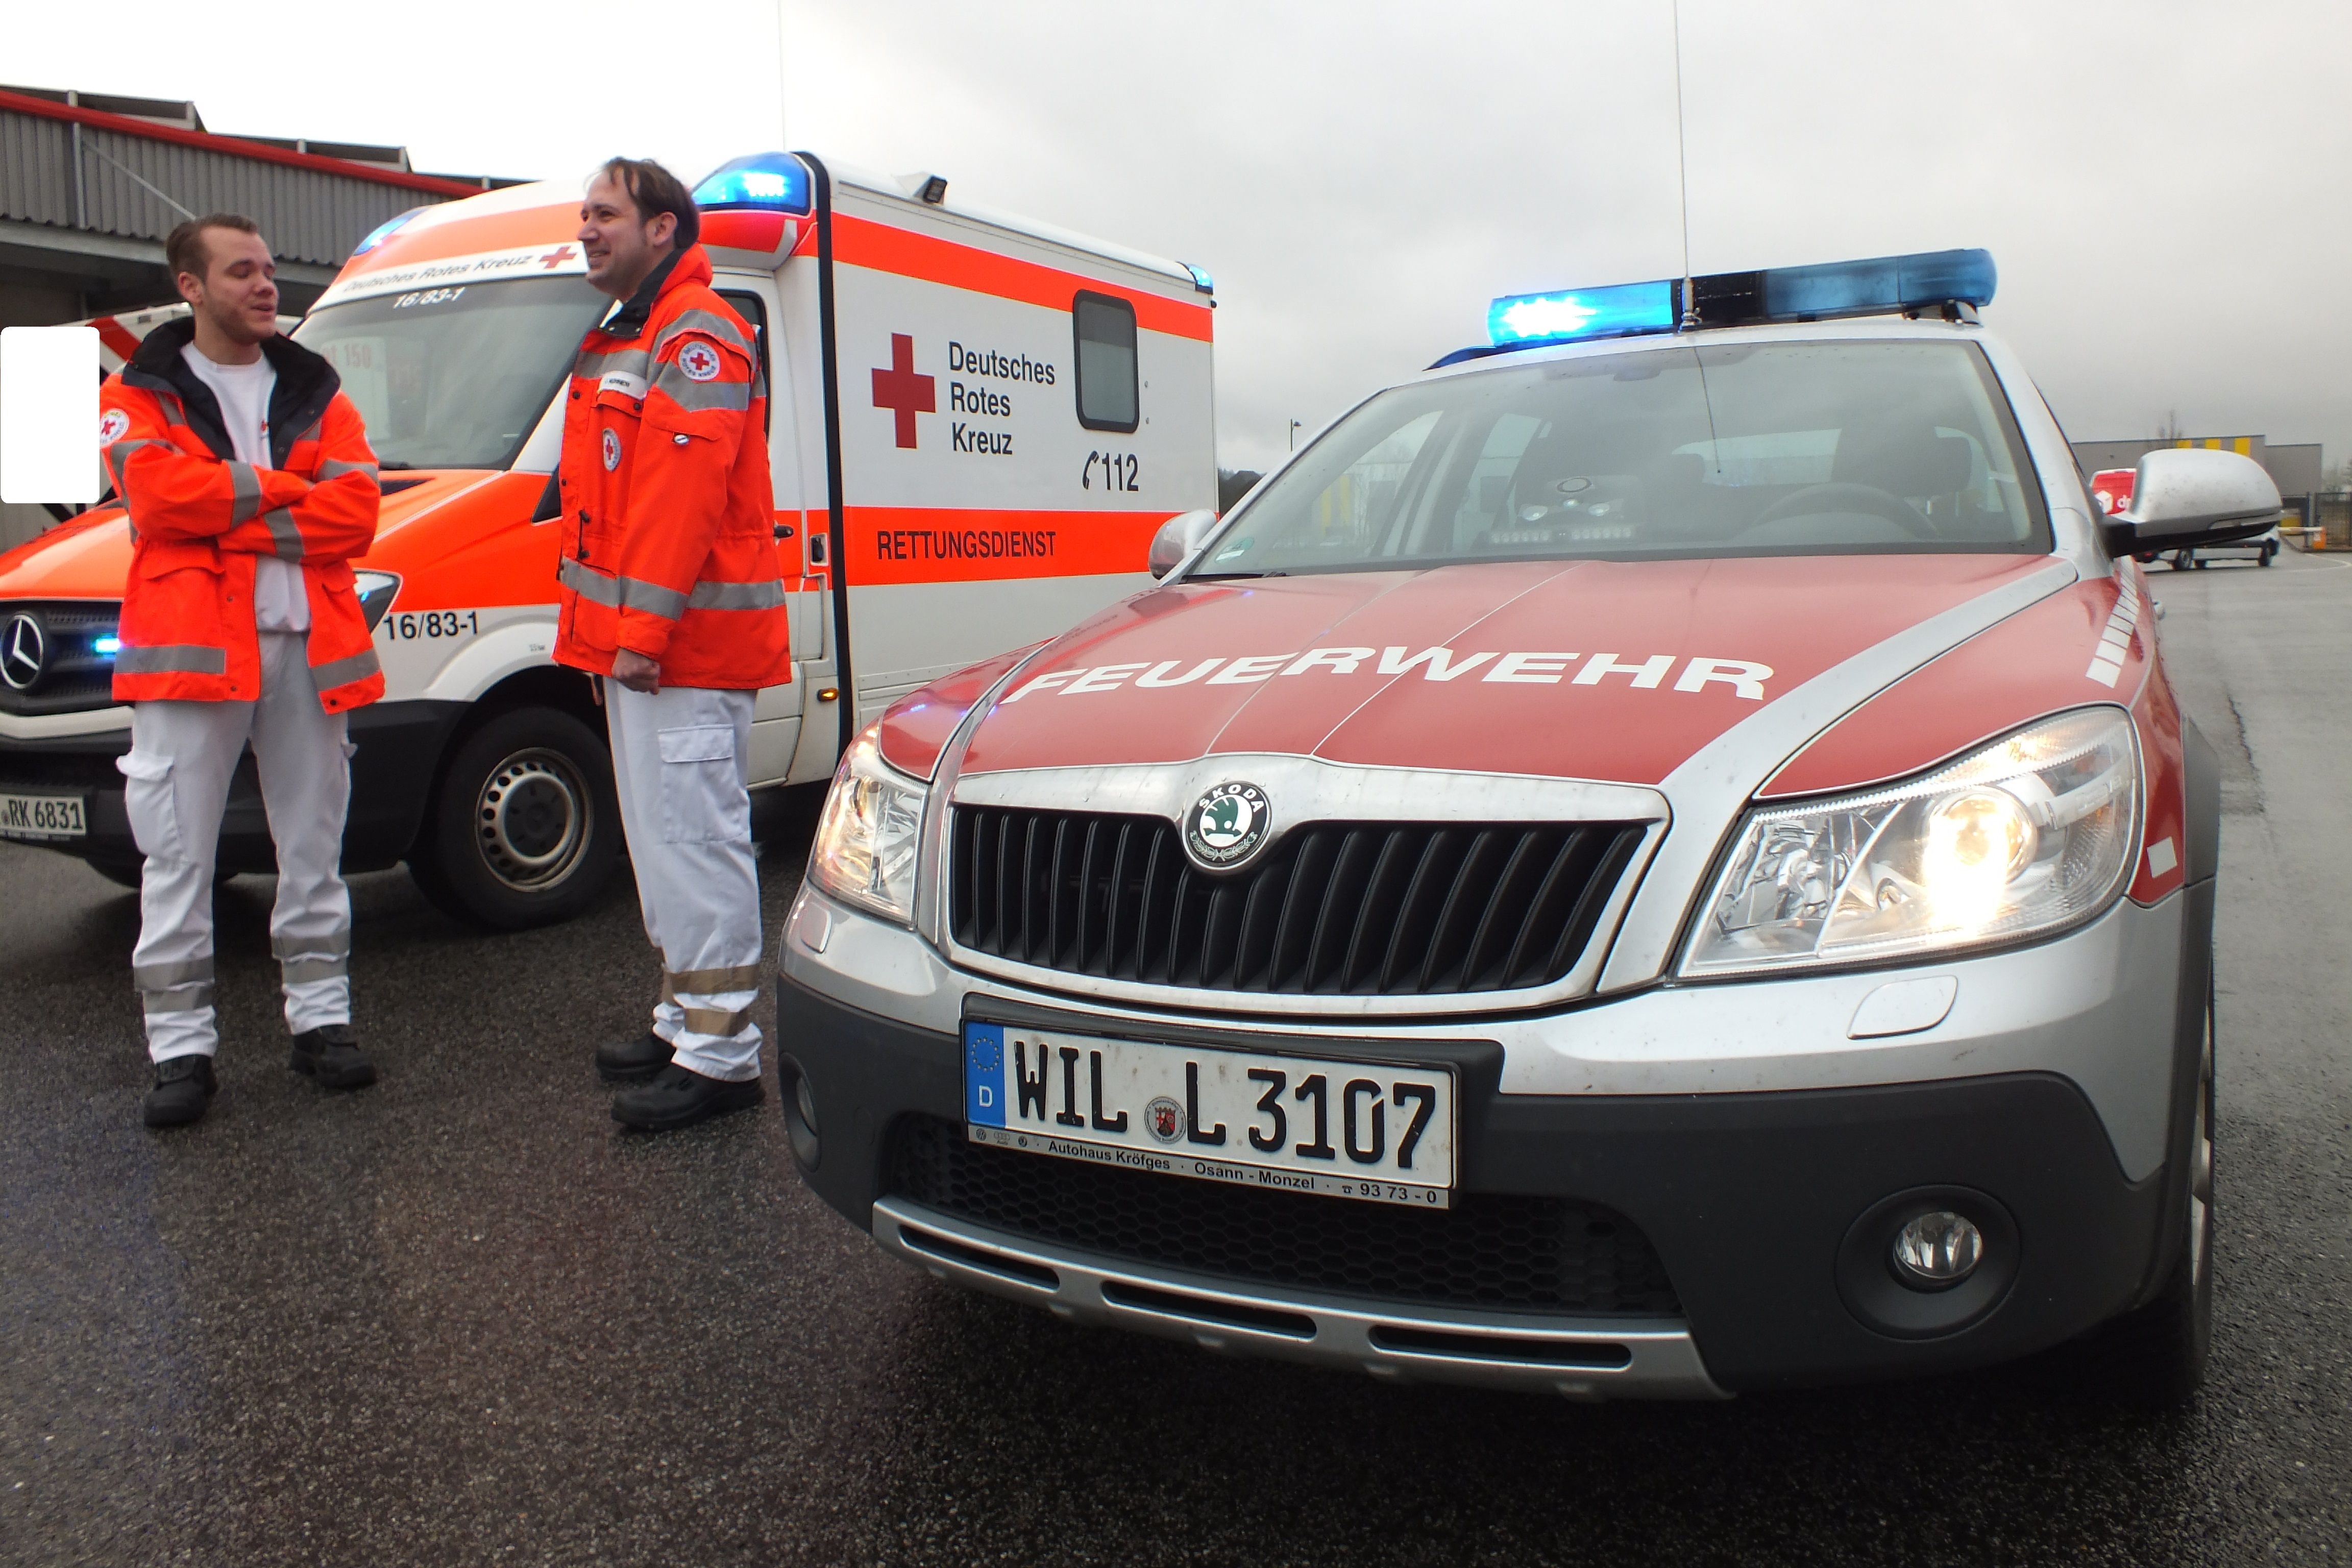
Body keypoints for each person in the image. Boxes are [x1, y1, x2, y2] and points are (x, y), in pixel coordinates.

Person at [101, 213, 385, 1128]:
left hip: (309, 647)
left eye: (268, 270)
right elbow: (157, 499)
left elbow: (357, 514)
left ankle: (322, 1023)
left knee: (314, 848)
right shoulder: (140, 390)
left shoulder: (314, 387)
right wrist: (290, 491)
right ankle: (180, 1050)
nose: (266, 286)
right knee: (176, 855)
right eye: (241, 273)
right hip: (193, 655)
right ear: (189, 286)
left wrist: (224, 510)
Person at [555, 158, 793, 1132]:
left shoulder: (697, 332)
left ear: (663, 228)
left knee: (696, 842)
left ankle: (723, 1057)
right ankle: (683, 1021)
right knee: (661, 845)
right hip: (643, 649)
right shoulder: (632, 330)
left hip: (682, 648)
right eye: (583, 213)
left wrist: (641, 633)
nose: (586, 228)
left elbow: (678, 500)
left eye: (604, 213)